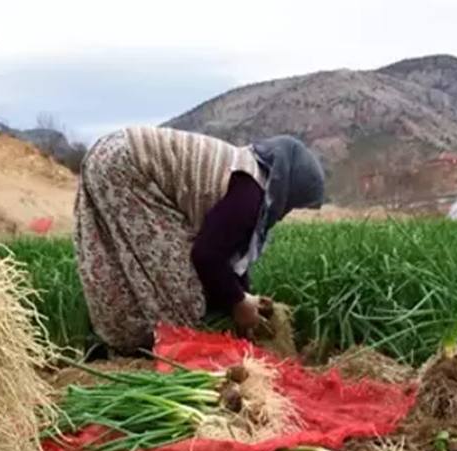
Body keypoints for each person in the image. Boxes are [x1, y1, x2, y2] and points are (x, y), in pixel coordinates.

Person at [73, 125, 326, 354]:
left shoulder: (249, 176)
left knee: (146, 272)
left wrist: (245, 297)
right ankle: (149, 347)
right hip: (123, 165)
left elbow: (224, 250)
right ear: (287, 189)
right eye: (293, 203)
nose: (286, 212)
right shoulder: (250, 193)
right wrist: (238, 303)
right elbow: (206, 255)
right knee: (181, 292)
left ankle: (127, 343)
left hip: (112, 155)